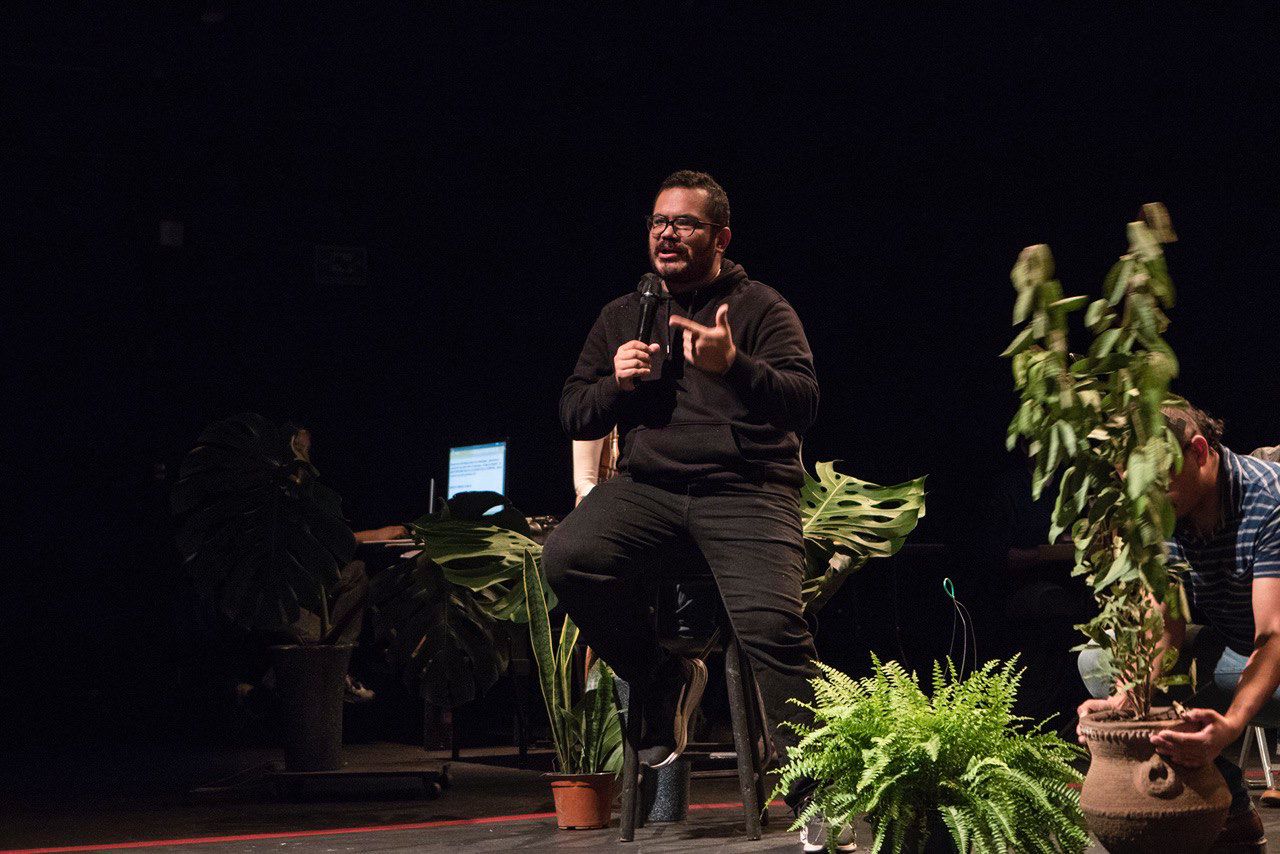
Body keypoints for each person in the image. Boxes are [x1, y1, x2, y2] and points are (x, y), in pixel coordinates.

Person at [543, 171, 851, 851]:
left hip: (746, 491)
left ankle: (815, 796)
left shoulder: (761, 308)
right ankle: (664, 677)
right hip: (651, 493)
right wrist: (614, 385)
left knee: (772, 626)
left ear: (720, 237)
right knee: (568, 556)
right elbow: (572, 410)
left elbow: (803, 401)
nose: (667, 233)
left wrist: (735, 364)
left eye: (684, 223)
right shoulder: (623, 314)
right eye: (659, 221)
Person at [1077, 402, 1280, 850]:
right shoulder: (1169, 506)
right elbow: (1164, 621)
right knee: (1098, 663)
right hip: (1234, 644)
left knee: (1228, 680)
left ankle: (1218, 775)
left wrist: (1230, 725)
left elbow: (1274, 634)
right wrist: (1126, 699)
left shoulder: (1269, 502)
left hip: (1271, 651)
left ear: (1200, 451)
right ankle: (1232, 808)